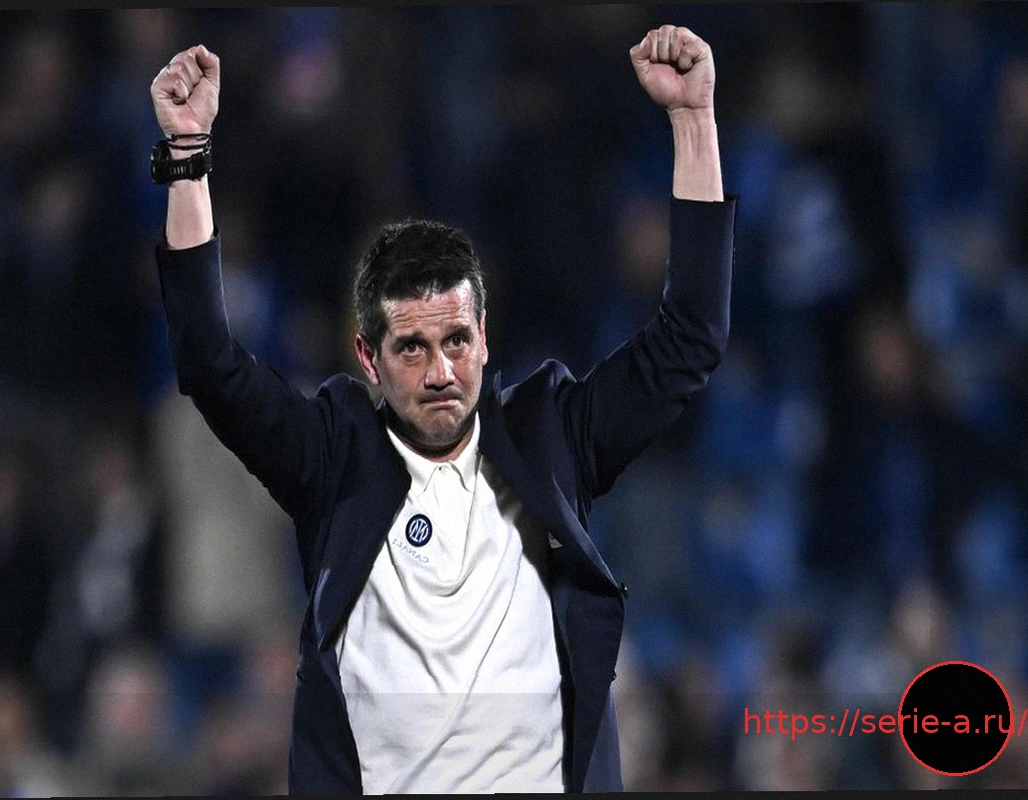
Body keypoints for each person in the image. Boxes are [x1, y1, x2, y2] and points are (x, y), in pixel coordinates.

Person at [150, 24, 735, 793]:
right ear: (368, 358)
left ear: (484, 338)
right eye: (412, 348)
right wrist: (188, 156)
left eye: (456, 340)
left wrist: (694, 123)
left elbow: (689, 338)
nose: (440, 372)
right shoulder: (332, 454)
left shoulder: (550, 434)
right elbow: (210, 365)